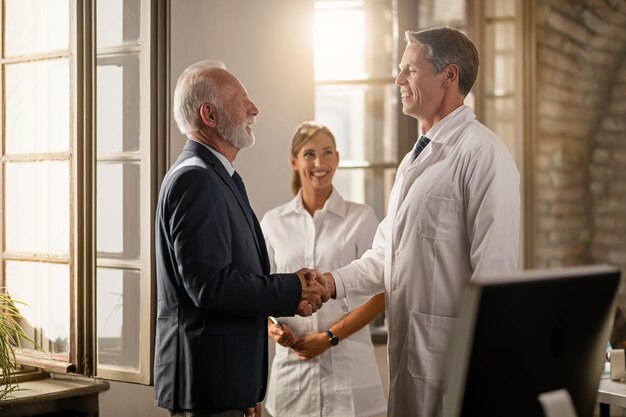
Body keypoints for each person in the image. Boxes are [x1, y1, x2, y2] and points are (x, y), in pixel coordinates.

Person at [322, 27, 521, 417]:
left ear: (449, 76)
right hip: (412, 363)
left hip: (454, 371)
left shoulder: (484, 155)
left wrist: (483, 382)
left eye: (409, 70)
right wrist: (331, 283)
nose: (398, 80)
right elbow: (385, 255)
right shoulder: (414, 160)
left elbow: (494, 278)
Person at [154, 60, 330, 417]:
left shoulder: (216, 175)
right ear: (210, 115)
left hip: (226, 386)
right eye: (241, 100)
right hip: (207, 388)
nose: (254, 109)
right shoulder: (197, 180)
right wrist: (294, 289)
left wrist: (245, 387)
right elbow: (211, 286)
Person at [260, 122, 387, 417]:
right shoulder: (272, 222)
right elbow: (259, 291)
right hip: (291, 380)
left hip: (350, 378)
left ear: (337, 159)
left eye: (327, 152)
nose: (320, 163)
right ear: (294, 161)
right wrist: (272, 328)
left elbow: (382, 293)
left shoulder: (361, 217)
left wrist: (329, 337)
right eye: (309, 154)